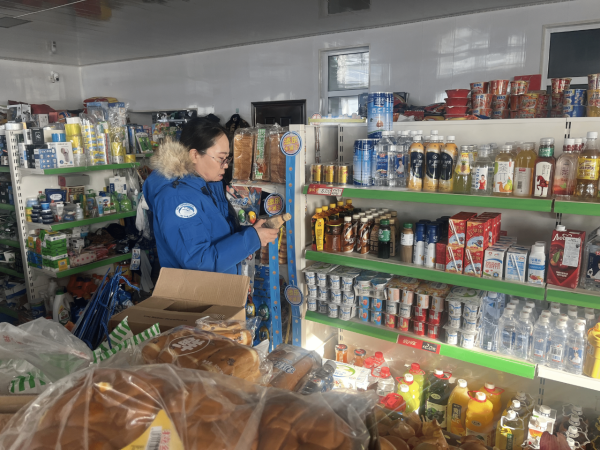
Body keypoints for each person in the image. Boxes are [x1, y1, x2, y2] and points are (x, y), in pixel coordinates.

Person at [143, 118, 279, 274]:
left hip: (220, 286)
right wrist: (251, 240)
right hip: (199, 289)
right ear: (194, 155)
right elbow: (199, 262)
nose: (226, 165)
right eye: (221, 159)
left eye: (227, 159)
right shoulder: (176, 198)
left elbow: (216, 235)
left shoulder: (206, 187)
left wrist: (251, 233)